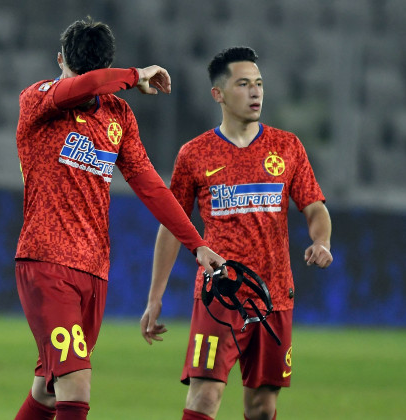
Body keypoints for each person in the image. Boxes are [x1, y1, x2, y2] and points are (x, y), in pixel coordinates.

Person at [13, 17, 225, 420]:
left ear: (60, 58)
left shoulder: (119, 115)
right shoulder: (38, 100)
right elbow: (85, 85)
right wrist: (136, 73)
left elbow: (151, 187)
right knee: (76, 383)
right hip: (46, 263)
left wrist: (196, 244)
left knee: (48, 391)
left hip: (94, 270)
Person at [140, 47, 333, 420]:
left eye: (259, 84)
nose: (255, 92)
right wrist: (155, 297)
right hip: (219, 294)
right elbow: (172, 225)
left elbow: (314, 207)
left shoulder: (287, 146)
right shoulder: (194, 154)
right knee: (205, 397)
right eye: (243, 84)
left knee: (262, 408)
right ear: (219, 94)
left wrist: (321, 240)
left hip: (273, 296)